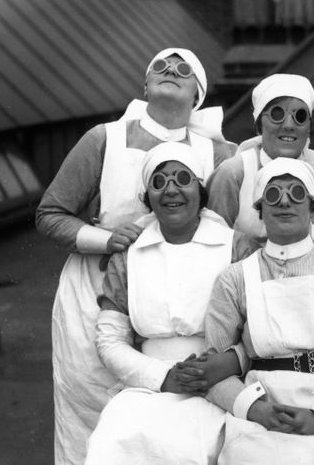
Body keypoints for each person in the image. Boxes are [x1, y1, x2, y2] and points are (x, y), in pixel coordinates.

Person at [35, 47, 236, 464]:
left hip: (181, 299)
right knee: (93, 418)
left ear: (198, 94)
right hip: (97, 294)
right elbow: (50, 214)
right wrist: (105, 239)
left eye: (184, 69)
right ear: (144, 85)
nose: (170, 71)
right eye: (160, 66)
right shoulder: (103, 139)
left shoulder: (217, 154)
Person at [203, 158, 314, 465]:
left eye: (297, 194)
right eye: (273, 195)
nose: (285, 202)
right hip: (262, 403)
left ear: (313, 207)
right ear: (260, 210)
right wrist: (254, 408)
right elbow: (214, 370)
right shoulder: (235, 277)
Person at [85, 142, 260, 464]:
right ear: (147, 197)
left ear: (200, 189)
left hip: (225, 382)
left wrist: (232, 362)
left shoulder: (237, 247)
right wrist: (163, 377)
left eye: (182, 178)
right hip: (149, 387)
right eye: (159, 181)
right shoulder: (128, 256)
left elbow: (262, 327)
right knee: (112, 443)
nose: (171, 190)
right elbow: (110, 341)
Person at [207, 73, 314, 241]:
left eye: (300, 116)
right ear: (259, 124)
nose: (289, 125)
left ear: (309, 127)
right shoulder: (233, 173)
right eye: (277, 114)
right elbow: (213, 242)